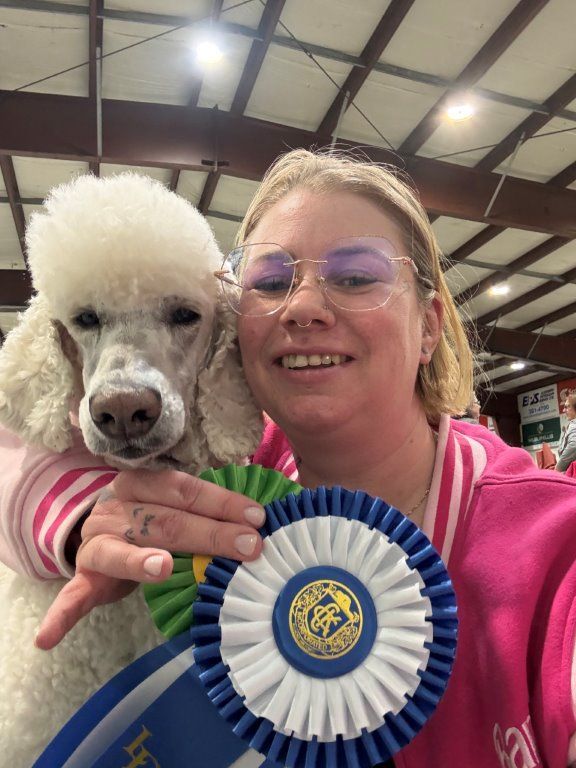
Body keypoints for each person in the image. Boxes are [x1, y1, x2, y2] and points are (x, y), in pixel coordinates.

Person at [0, 149, 575, 768]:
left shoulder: (551, 540)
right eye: (271, 282)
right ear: (238, 329)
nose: (302, 305)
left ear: (430, 325)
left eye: (356, 275)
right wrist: (87, 516)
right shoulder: (223, 479)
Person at [557, 392, 576, 472]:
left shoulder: (574, 425)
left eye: (567, 407)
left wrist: (558, 469)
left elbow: (573, 445)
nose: (564, 410)